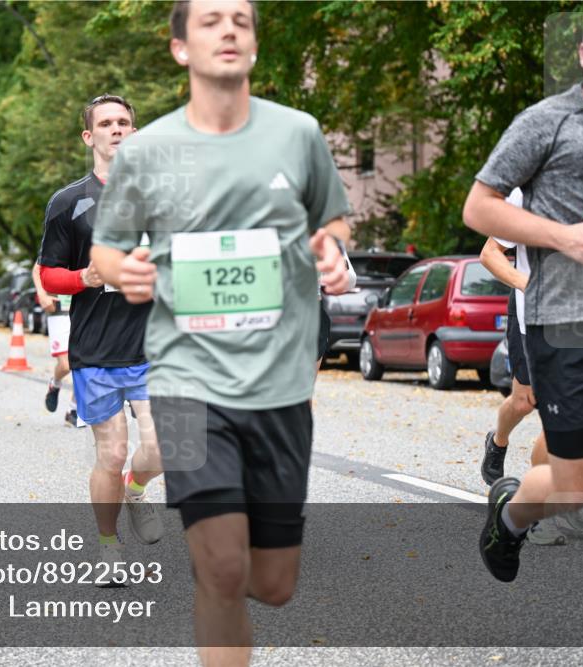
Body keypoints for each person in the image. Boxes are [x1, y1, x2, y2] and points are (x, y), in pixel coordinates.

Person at [90, 1, 352, 660]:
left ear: (255, 42)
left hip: (281, 389)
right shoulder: (145, 151)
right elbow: (105, 252)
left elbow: (336, 221)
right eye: (210, 21)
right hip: (182, 383)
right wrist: (129, 271)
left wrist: (333, 251)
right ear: (181, 47)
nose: (229, 29)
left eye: (241, 18)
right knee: (222, 571)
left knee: (273, 582)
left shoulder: (298, 133)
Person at [463, 0, 583, 582]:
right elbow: (480, 208)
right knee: (573, 488)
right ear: (582, 52)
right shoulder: (546, 121)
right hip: (569, 323)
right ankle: (511, 512)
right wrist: (564, 238)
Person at [38, 93, 165, 581]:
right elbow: (49, 275)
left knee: (160, 446)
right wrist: (84, 279)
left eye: (124, 122)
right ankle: (109, 549)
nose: (116, 129)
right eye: (106, 123)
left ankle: (135, 490)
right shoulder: (69, 202)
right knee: (109, 454)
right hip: (95, 348)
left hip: (153, 344)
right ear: (89, 136)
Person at [32, 262, 78, 424]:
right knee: (66, 365)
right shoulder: (58, 238)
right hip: (59, 311)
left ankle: (73, 410)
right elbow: (37, 268)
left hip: (83, 310)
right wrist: (42, 294)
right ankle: (55, 383)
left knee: (83, 365)